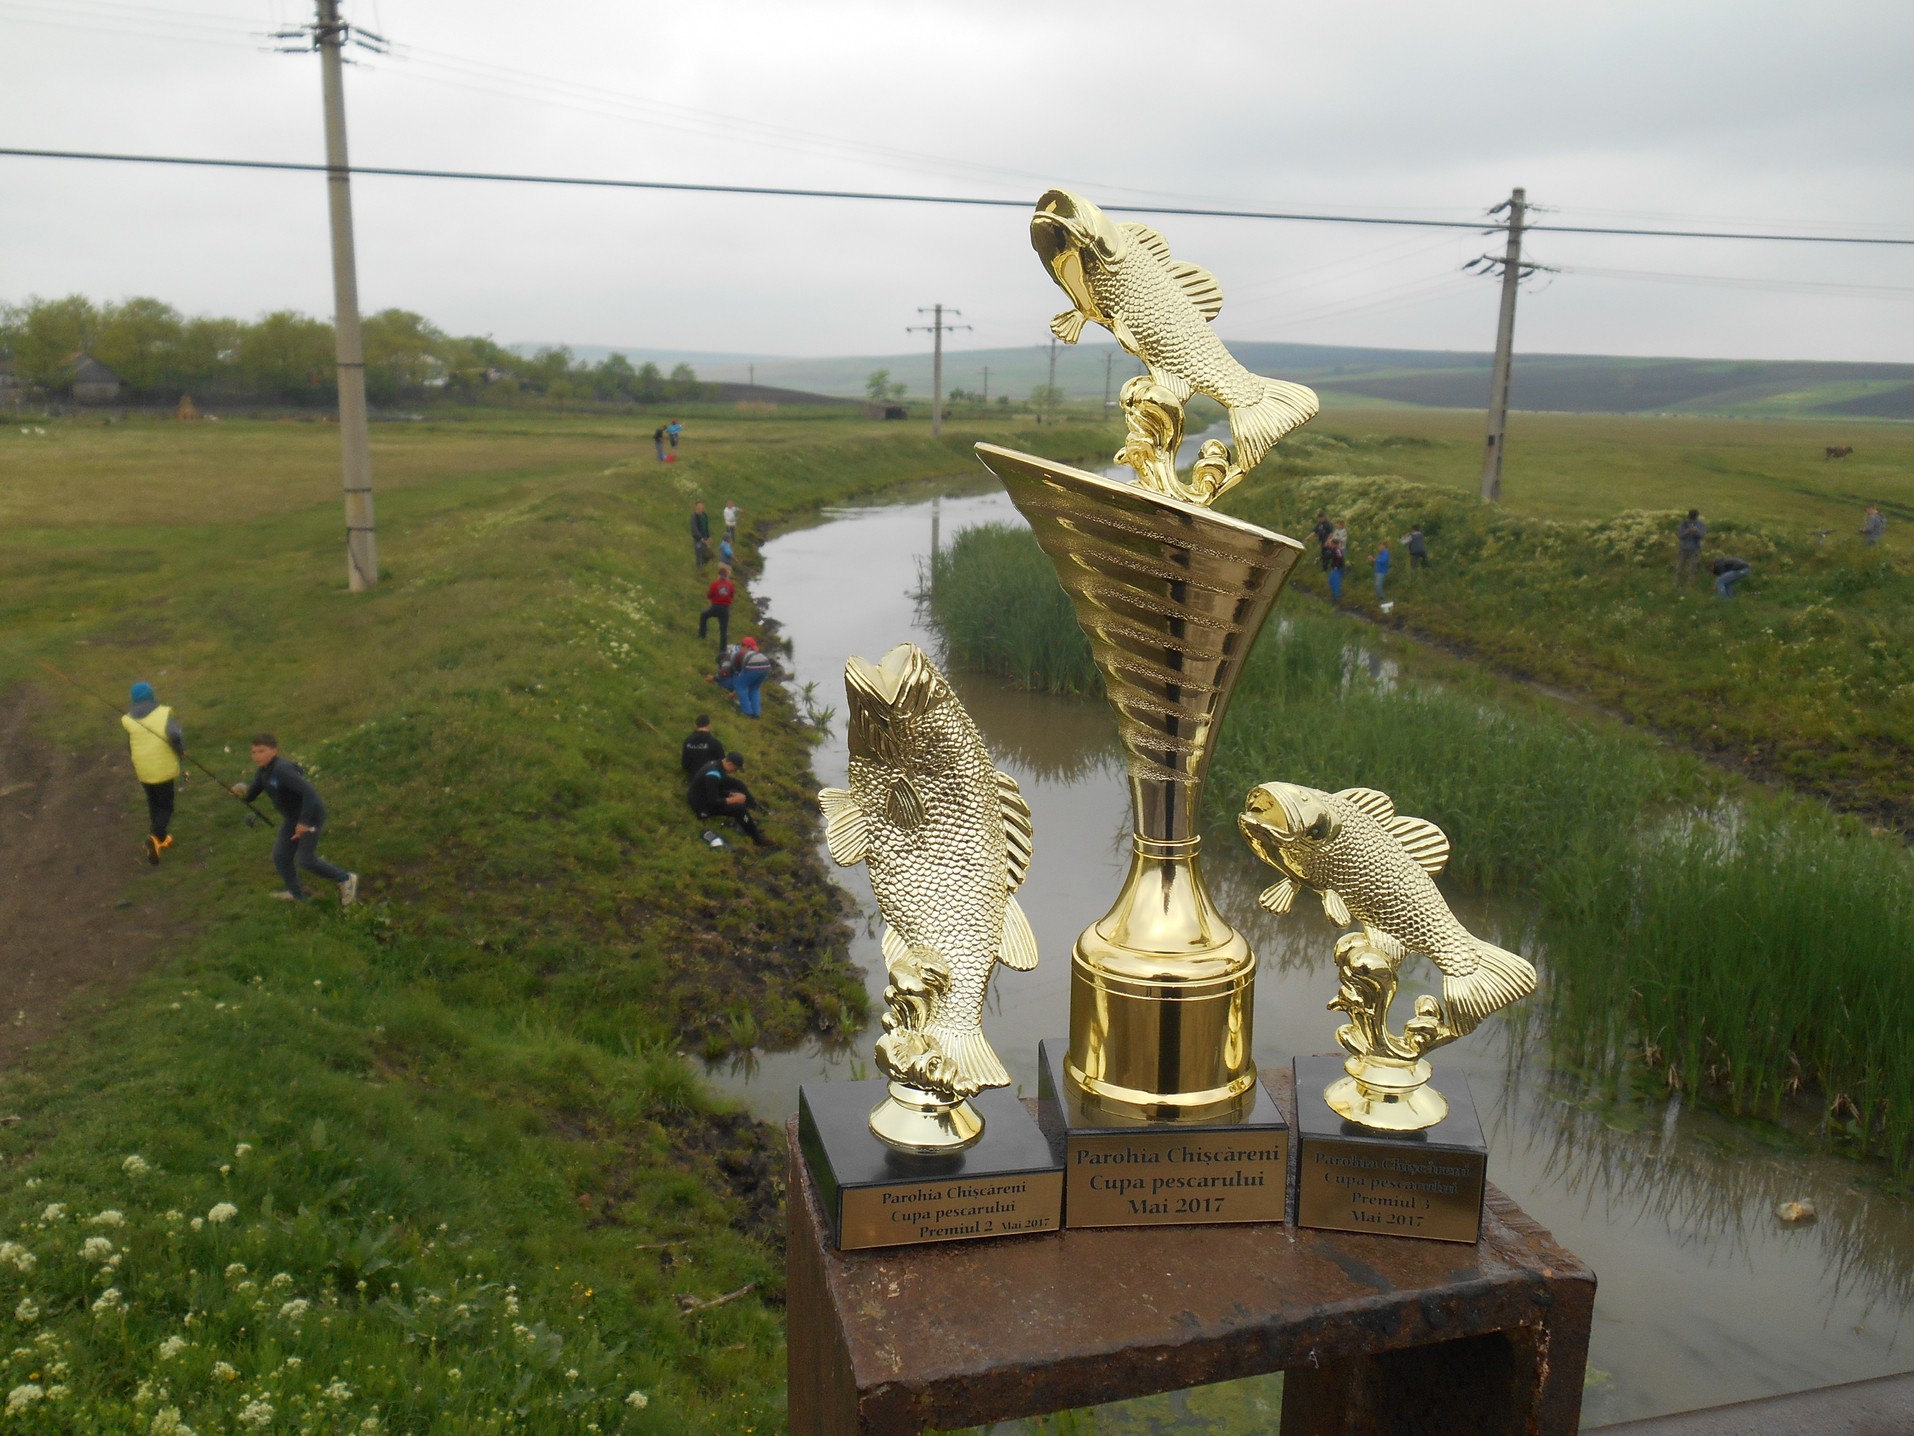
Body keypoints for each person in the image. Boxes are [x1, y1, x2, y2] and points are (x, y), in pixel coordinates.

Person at [230, 734, 358, 905]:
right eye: (253, 752)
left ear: (273, 751)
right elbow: (251, 794)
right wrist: (240, 793)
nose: (256, 755)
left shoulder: (282, 770)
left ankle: (345, 878)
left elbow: (309, 793)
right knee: (281, 856)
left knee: (306, 860)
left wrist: (303, 822)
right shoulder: (263, 773)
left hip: (310, 816)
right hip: (292, 819)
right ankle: (297, 894)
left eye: (261, 751)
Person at [122, 680, 185, 865]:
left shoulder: (128, 719)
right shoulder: (164, 713)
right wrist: (182, 751)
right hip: (162, 768)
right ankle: (155, 835)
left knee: (153, 802)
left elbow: (129, 744)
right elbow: (174, 735)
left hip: (142, 768)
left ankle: (161, 839)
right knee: (166, 806)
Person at [687, 750, 768, 845]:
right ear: (730, 764)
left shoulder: (715, 765)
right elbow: (714, 801)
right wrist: (734, 799)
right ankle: (758, 839)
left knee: (736, 792)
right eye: (735, 769)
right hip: (701, 806)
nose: (735, 771)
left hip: (702, 796)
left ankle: (751, 824)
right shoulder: (713, 774)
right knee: (739, 808)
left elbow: (715, 790)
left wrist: (730, 795)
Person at [734, 638, 774, 719]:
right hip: (766, 665)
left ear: (746, 647)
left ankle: (747, 712)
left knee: (740, 686)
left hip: (753, 666)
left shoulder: (740, 654)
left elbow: (741, 670)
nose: (741, 648)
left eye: (742, 646)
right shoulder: (756, 653)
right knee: (754, 688)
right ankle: (756, 713)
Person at [700, 564, 736, 649]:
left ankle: (702, 636)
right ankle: (722, 650)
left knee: (704, 615)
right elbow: (731, 596)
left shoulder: (714, 584)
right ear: (727, 576)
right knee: (724, 630)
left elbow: (709, 595)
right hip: (725, 609)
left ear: (719, 575)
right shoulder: (731, 585)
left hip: (715, 607)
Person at [681, 713, 725, 780]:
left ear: (696, 725)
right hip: (710, 778)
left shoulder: (687, 741)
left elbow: (685, 764)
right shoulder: (714, 743)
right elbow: (722, 764)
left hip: (692, 778)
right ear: (709, 726)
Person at [1677, 509, 1707, 585]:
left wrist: (1696, 532)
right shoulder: (1683, 524)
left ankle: (1689, 584)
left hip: (1695, 549)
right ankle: (1677, 582)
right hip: (1684, 548)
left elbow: (1703, 536)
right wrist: (1688, 531)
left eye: (1693, 519)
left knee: (1692, 568)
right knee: (1680, 567)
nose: (1691, 521)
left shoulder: (1701, 524)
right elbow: (1680, 536)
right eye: (1690, 519)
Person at [691, 501, 711, 566]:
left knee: (706, 554)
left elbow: (706, 526)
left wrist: (709, 537)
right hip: (698, 540)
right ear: (696, 507)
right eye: (699, 507)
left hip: (705, 538)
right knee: (699, 554)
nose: (700, 508)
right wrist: (700, 538)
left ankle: (704, 567)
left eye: (701, 507)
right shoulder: (694, 517)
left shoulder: (704, 515)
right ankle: (699, 569)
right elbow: (694, 529)